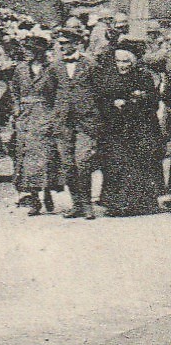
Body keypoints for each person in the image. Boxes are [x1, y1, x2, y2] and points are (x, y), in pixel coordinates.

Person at [95, 40, 163, 216]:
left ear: (134, 62)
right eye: (118, 61)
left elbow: (153, 103)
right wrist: (112, 104)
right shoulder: (110, 78)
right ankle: (116, 203)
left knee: (136, 166)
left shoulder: (144, 76)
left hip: (139, 128)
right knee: (115, 164)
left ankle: (137, 204)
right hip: (116, 127)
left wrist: (130, 104)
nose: (122, 65)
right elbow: (101, 99)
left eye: (126, 62)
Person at [51, 26, 101, 219]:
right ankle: (77, 204)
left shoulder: (90, 64)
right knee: (68, 163)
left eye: (66, 43)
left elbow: (99, 91)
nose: (62, 47)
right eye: (60, 44)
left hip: (85, 121)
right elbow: (49, 91)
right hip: (63, 122)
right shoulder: (55, 66)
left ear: (76, 43)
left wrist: (89, 110)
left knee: (83, 162)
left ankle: (87, 204)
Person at [10, 30, 59, 216]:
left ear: (40, 51)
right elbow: (14, 90)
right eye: (26, 49)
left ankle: (47, 192)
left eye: (31, 49)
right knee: (25, 159)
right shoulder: (20, 69)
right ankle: (34, 198)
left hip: (44, 115)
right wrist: (16, 109)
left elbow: (57, 94)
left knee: (45, 158)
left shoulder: (52, 69)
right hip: (24, 118)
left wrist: (54, 114)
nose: (27, 52)